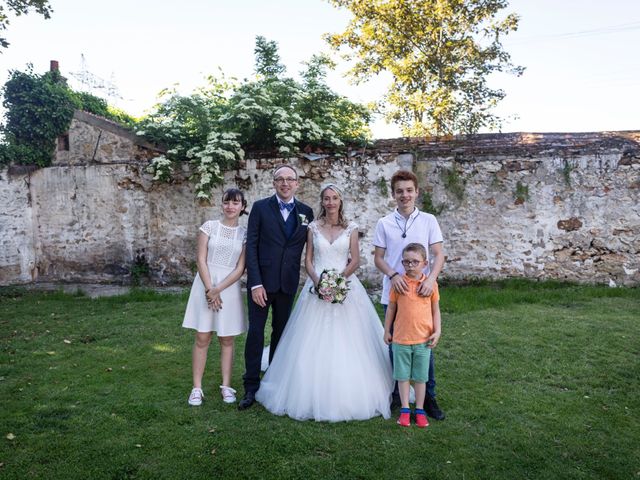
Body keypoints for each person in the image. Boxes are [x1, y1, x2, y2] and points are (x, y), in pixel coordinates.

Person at [255, 184, 394, 422]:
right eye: (326, 198)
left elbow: (356, 260)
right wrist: (319, 282)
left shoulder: (350, 228)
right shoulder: (312, 227)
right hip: (316, 287)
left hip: (345, 286)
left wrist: (338, 280)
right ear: (322, 202)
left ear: (341, 201)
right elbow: (308, 260)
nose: (330, 202)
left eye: (335, 198)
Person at [238, 165, 315, 410]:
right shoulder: (260, 208)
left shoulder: (307, 212)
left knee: (281, 334)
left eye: (290, 179)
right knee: (256, 334)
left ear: (297, 183)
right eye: (280, 179)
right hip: (262, 283)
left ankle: (274, 381)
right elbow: (251, 246)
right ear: (273, 183)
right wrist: (256, 283)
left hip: (288, 283)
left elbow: (315, 243)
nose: (285, 183)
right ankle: (250, 386)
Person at [373, 170, 446, 420]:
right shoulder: (384, 223)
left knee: (425, 346)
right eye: (399, 191)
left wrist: (432, 279)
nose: (404, 195)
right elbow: (378, 258)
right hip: (395, 293)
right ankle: (398, 397)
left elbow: (438, 254)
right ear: (393, 194)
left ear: (416, 192)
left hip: (423, 294)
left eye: (409, 190)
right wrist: (393, 275)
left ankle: (429, 399)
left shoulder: (428, 220)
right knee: (396, 346)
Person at [182, 188, 248, 406]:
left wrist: (218, 290)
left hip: (228, 287)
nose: (230, 207)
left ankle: (227, 386)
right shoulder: (209, 227)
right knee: (202, 337)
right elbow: (201, 259)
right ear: (222, 205)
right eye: (227, 202)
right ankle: (196, 388)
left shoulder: (244, 234)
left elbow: (240, 268)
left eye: (235, 203)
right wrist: (210, 289)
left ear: (242, 207)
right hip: (205, 282)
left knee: (227, 338)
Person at [384, 243, 442, 427]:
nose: (410, 265)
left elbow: (435, 310)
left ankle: (419, 409)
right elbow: (391, 308)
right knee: (402, 376)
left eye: (415, 262)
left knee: (420, 377)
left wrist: (437, 331)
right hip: (401, 339)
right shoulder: (398, 284)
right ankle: (404, 409)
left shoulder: (430, 285)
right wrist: (387, 330)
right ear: (402, 263)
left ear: (424, 263)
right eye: (406, 262)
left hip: (423, 340)